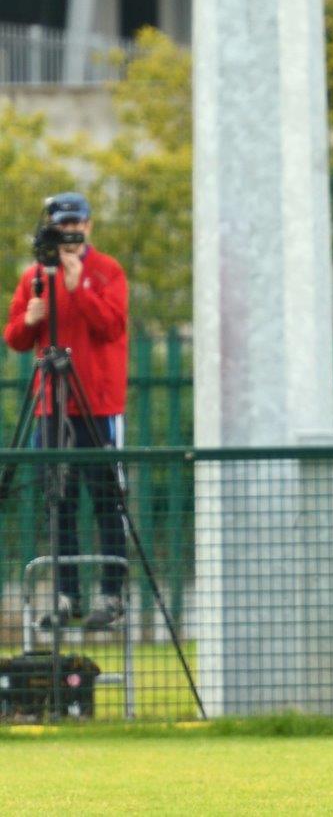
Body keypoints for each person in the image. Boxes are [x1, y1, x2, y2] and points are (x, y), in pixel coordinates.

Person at [4, 192, 129, 631]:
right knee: (59, 500)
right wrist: (31, 319)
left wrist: (80, 289)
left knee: (107, 500)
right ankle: (65, 593)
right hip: (52, 404)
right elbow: (16, 338)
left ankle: (112, 593)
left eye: (77, 227)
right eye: (62, 229)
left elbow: (112, 326)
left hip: (97, 404)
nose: (70, 236)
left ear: (89, 227)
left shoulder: (107, 271)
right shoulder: (35, 276)